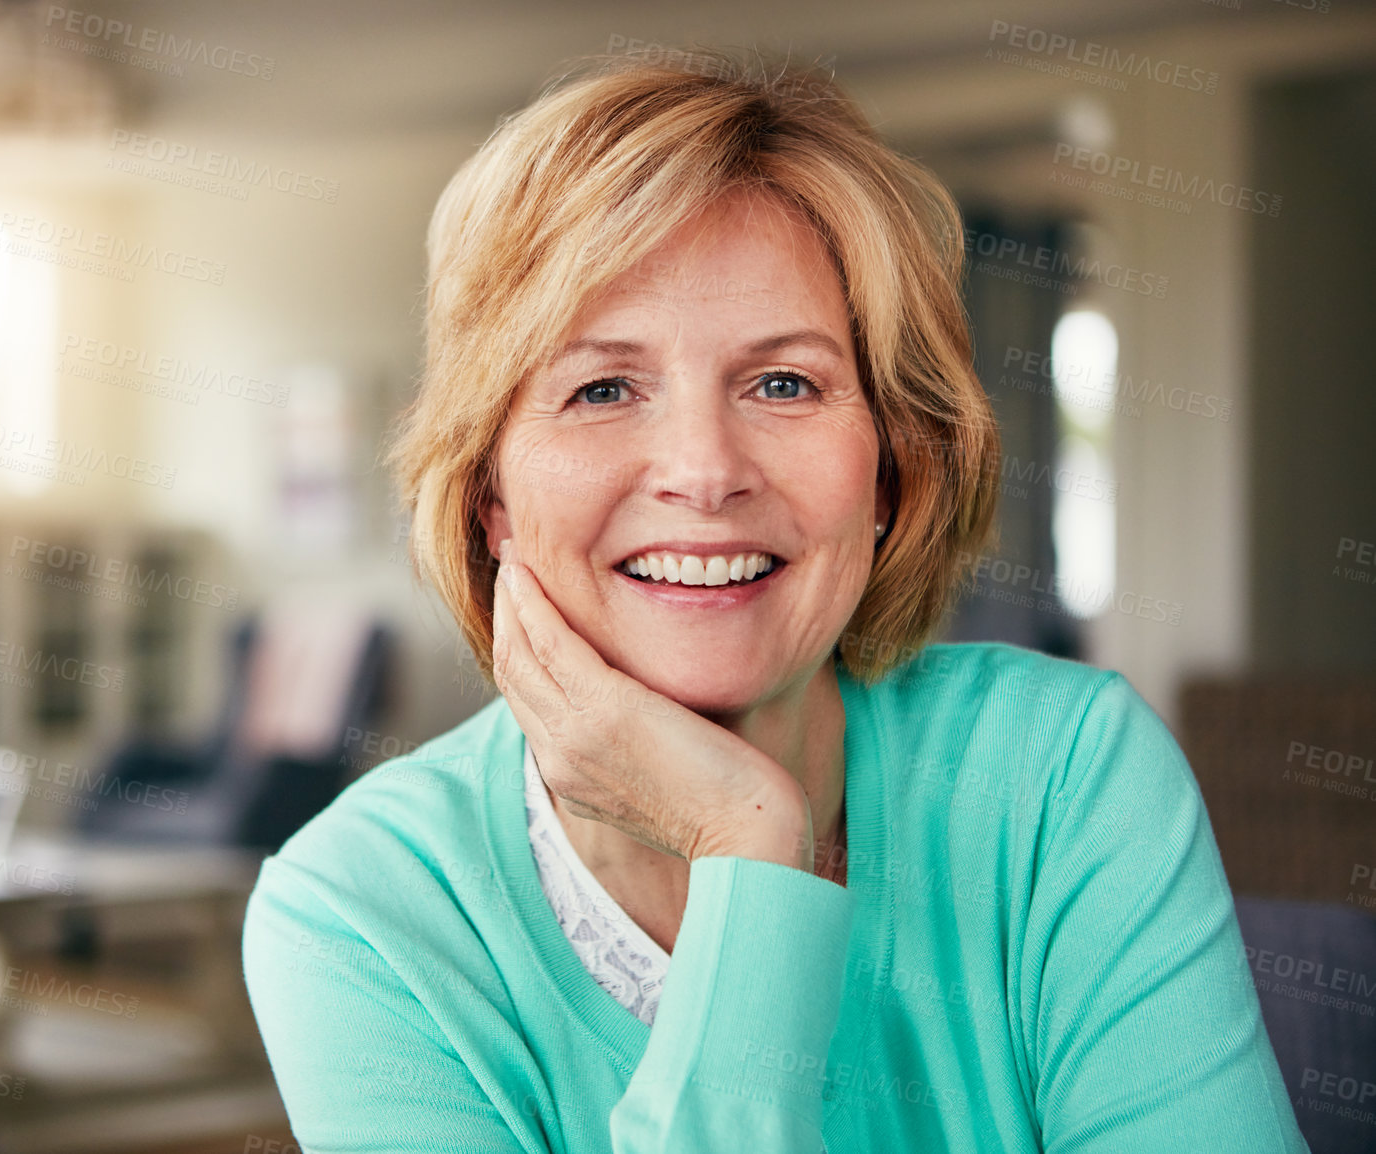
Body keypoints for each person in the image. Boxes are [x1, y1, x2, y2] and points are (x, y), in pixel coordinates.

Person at [241, 51, 1306, 1152]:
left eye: (783, 382)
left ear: (892, 466)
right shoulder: (360, 910)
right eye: (602, 386)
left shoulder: (1063, 775)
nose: (704, 471)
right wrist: (746, 847)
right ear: (489, 494)